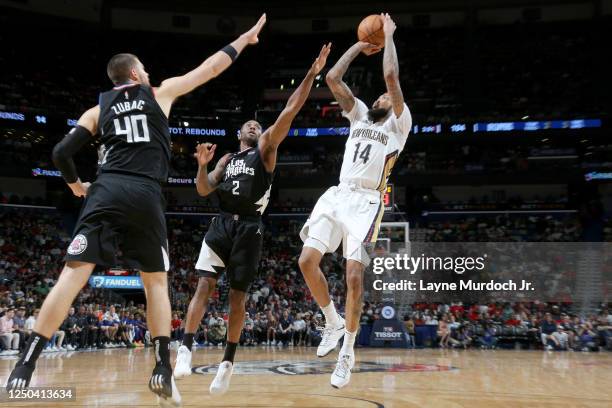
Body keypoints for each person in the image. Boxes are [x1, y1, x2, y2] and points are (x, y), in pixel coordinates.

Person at [5, 14, 267, 408]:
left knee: (72, 276)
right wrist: (244, 40)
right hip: (145, 194)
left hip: (105, 190)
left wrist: (77, 186)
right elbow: (210, 68)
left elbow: (61, 153)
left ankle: (24, 368)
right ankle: (162, 368)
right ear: (133, 72)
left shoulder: (98, 110)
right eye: (143, 68)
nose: (148, 72)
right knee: (155, 282)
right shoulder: (160, 94)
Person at [173, 43, 331, 396]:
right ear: (239, 133)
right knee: (203, 285)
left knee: (237, 301)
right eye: (248, 124)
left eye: (257, 125)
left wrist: (311, 73)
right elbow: (202, 190)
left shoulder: (266, 151)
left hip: (249, 228)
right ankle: (184, 348)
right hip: (220, 224)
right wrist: (200, 166)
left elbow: (291, 110)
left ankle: (227, 363)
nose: (253, 126)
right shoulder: (227, 158)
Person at [298, 13, 411, 388]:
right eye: (378, 95)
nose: (380, 97)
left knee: (354, 275)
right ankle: (331, 323)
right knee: (306, 261)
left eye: (384, 97)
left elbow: (392, 78)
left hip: (366, 202)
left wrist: (389, 37)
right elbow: (332, 79)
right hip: (338, 193)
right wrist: (360, 45)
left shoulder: (400, 124)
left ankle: (347, 352)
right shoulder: (360, 113)